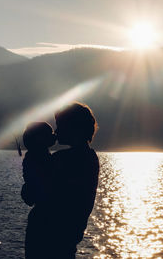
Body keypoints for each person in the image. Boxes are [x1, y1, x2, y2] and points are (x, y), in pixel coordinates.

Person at [48, 102, 100, 258]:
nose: (56, 131)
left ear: (73, 127)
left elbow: (32, 195)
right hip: (68, 239)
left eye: (60, 125)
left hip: (51, 240)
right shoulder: (90, 158)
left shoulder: (62, 159)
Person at [20, 122, 57, 259]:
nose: (54, 136)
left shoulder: (34, 157)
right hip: (44, 219)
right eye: (49, 134)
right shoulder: (43, 159)